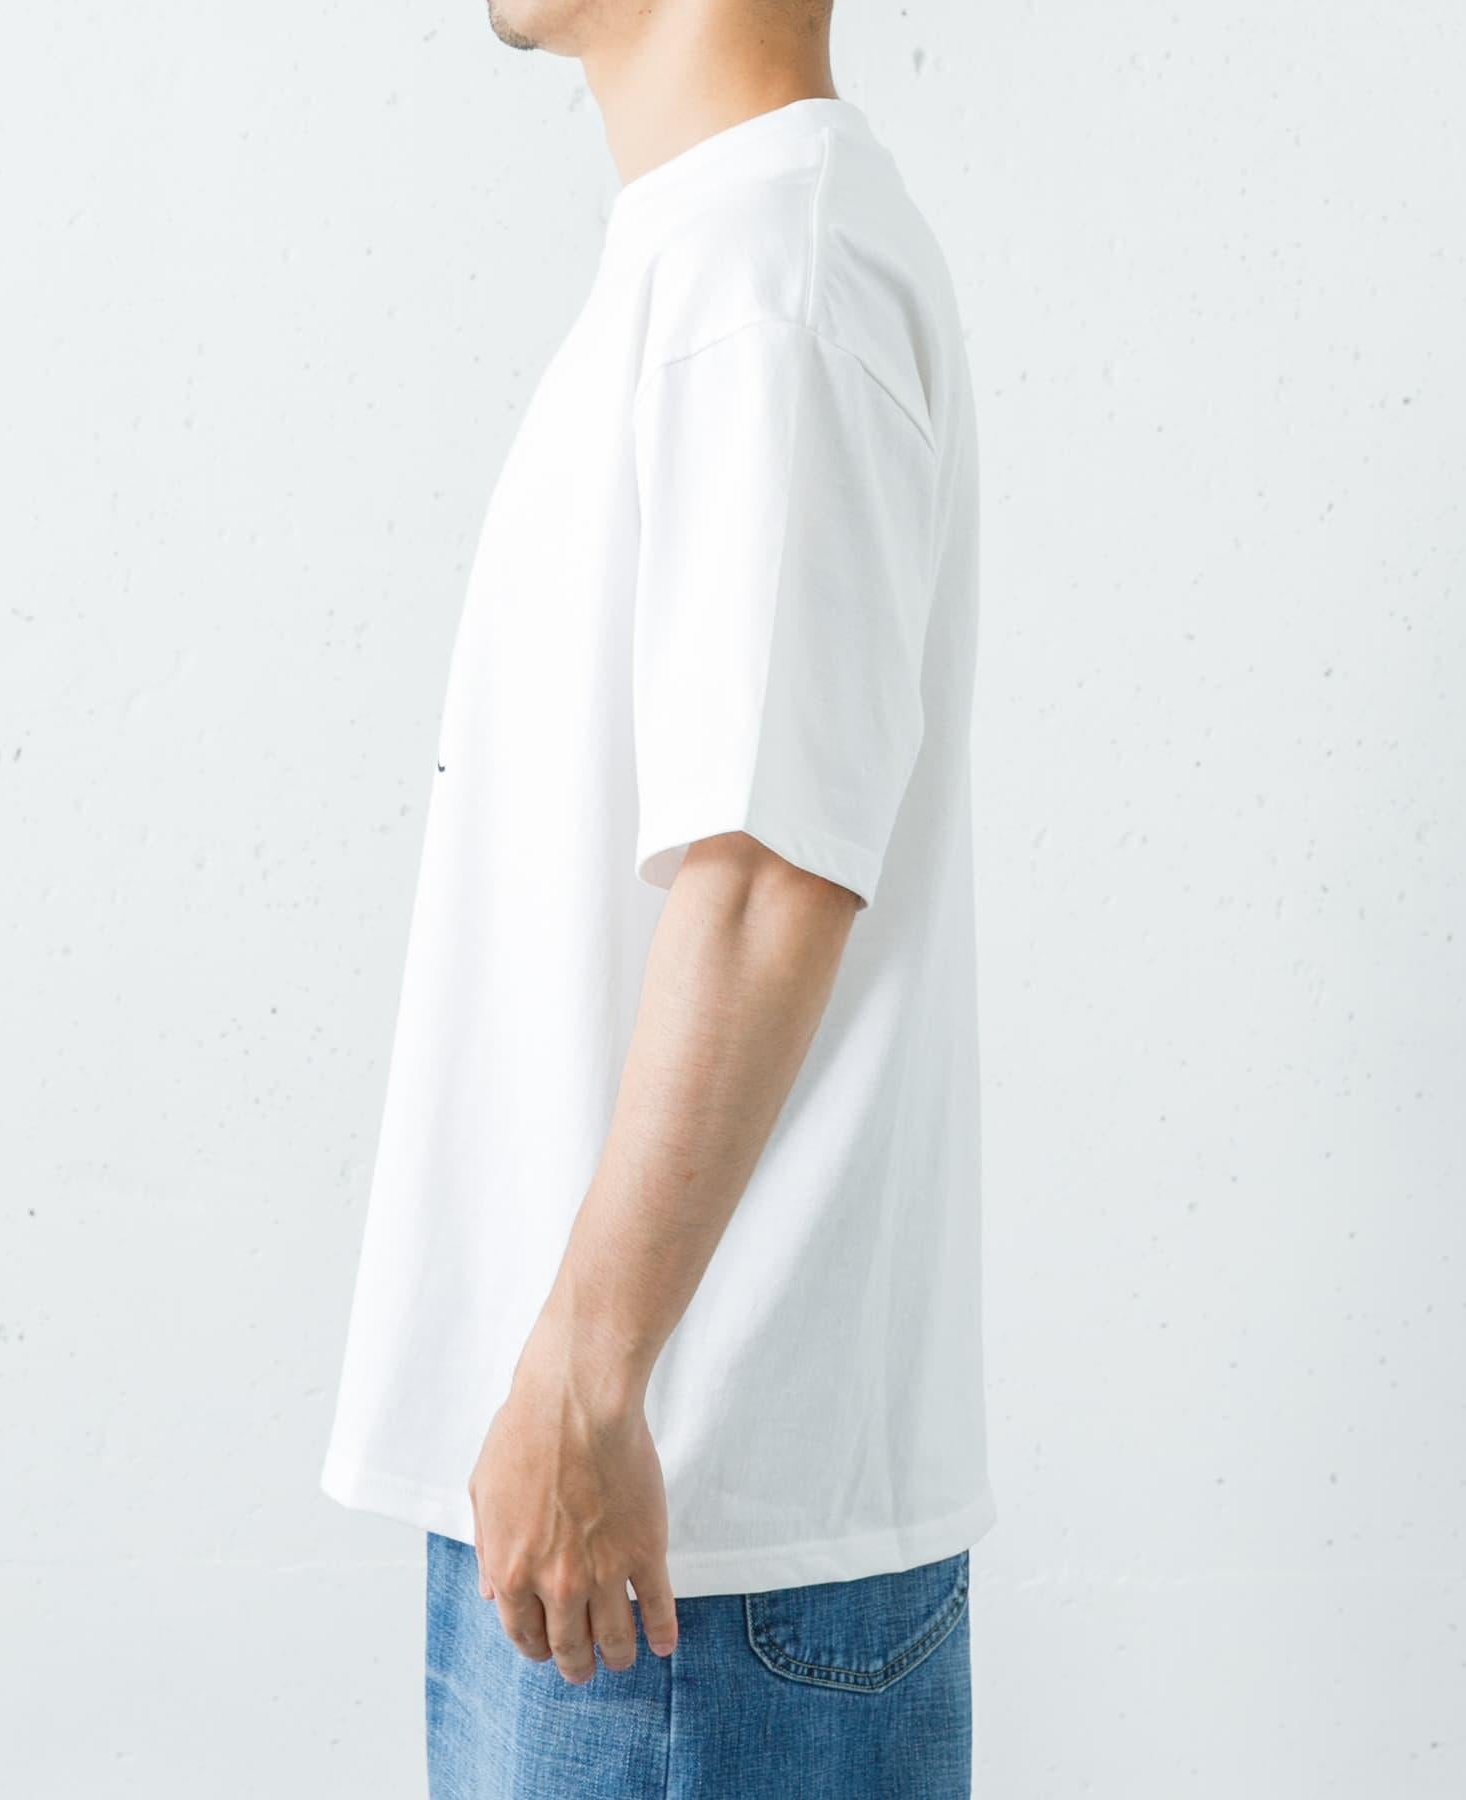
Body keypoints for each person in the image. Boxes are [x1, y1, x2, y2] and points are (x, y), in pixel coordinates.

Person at [320, 1, 995, 1792]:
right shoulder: (715, 256)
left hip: (680, 1544)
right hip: (606, 1502)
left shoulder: (773, 274)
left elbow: (771, 876)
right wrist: (564, 1388)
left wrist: (593, 1373)